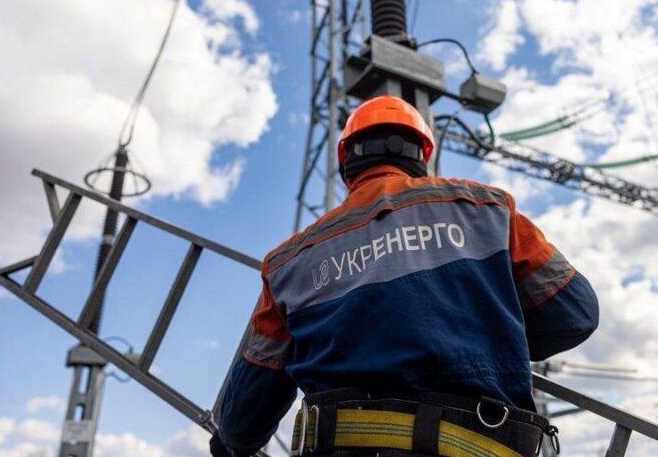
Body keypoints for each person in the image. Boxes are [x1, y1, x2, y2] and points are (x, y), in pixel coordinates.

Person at [211, 96, 598, 457]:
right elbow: (576, 314)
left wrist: (227, 442)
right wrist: (485, 336)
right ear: (422, 154)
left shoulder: (288, 264)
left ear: (346, 159)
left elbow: (242, 423)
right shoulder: (489, 210)